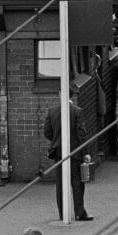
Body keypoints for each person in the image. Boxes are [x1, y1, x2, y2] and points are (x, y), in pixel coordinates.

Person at [43, 87, 94, 221]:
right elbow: (82, 134)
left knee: (60, 184)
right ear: (72, 95)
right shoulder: (77, 112)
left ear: (60, 94)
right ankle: (79, 212)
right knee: (77, 183)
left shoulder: (52, 111)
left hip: (58, 153)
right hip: (75, 152)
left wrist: (57, 141)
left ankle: (62, 214)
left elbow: (47, 132)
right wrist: (86, 152)